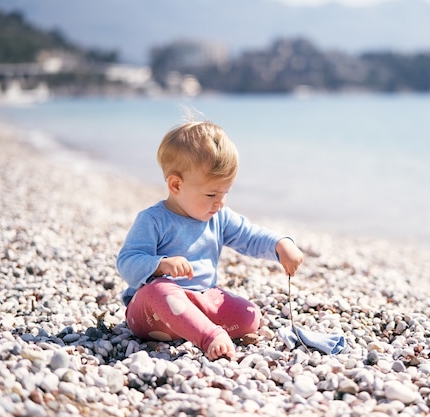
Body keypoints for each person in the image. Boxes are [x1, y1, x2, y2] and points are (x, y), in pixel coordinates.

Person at [116, 120, 303, 360]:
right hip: (152, 313)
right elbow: (127, 261)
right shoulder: (153, 220)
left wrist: (280, 244)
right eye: (211, 194)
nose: (220, 202)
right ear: (176, 184)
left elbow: (249, 236)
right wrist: (160, 264)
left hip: (200, 299)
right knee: (160, 290)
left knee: (250, 316)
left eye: (225, 193)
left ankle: (194, 326)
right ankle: (207, 336)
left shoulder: (218, 216)